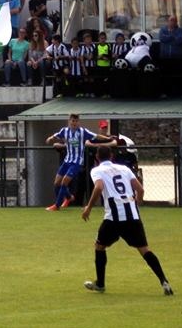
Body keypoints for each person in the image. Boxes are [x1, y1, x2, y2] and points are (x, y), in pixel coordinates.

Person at [81, 146, 174, 296]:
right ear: (111, 156)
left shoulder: (97, 170)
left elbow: (98, 187)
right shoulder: (124, 169)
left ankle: (100, 283)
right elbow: (141, 190)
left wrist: (88, 207)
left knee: (99, 246)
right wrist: (136, 204)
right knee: (145, 250)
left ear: (97, 158)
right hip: (132, 216)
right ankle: (164, 281)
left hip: (113, 217)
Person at [45, 114, 117, 211]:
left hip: (77, 162)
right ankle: (69, 197)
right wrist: (50, 138)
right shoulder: (64, 131)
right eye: (72, 121)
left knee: (64, 181)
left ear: (79, 122)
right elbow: (56, 135)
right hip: (67, 161)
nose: (74, 123)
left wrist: (108, 138)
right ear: (69, 122)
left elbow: (96, 136)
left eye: (76, 121)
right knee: (57, 183)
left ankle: (57, 205)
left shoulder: (83, 132)